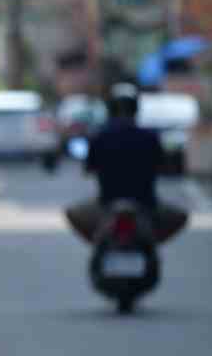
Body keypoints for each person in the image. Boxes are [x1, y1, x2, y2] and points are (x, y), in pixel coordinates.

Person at [66, 83, 189, 243]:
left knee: (73, 213)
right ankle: (149, 245)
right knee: (180, 216)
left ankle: (100, 243)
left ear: (110, 109)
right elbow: (163, 167)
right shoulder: (150, 137)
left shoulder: (99, 137)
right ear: (136, 109)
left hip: (107, 202)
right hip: (146, 203)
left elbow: (88, 169)